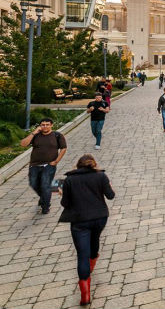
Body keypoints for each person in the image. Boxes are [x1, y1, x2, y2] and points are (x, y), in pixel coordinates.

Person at [59, 154, 115, 306]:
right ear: (93, 164)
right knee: (94, 240)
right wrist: (108, 185)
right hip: (99, 218)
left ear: (77, 166)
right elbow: (110, 196)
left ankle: (85, 292)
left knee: (82, 254)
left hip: (79, 221)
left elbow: (65, 203)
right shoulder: (101, 176)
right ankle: (92, 262)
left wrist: (63, 193)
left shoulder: (69, 180)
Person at [19, 118, 67, 214]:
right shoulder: (36, 135)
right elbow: (23, 144)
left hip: (49, 165)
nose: (45, 126)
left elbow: (63, 148)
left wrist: (57, 161)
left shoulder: (57, 135)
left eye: (47, 124)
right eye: (43, 125)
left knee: (45, 185)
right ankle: (45, 196)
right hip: (34, 164)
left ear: (51, 125)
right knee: (33, 184)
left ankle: (45, 206)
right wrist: (34, 132)